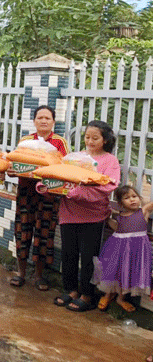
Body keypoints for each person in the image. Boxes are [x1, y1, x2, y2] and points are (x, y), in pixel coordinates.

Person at [41, 121, 120, 311]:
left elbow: (107, 187)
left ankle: (87, 295)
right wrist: (46, 187)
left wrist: (75, 193)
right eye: (87, 137)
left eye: (95, 137)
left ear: (106, 140)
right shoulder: (74, 157)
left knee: (88, 258)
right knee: (68, 254)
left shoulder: (110, 161)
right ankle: (70, 290)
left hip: (93, 217)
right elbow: (58, 175)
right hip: (68, 214)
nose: (90, 141)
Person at [8, 105, 69, 291]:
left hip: (49, 196)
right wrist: (11, 171)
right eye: (40, 117)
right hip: (26, 192)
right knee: (22, 229)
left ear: (53, 122)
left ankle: (39, 275)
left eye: (47, 118)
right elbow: (15, 164)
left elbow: (64, 167)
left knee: (44, 233)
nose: (43, 121)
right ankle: (21, 273)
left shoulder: (60, 143)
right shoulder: (25, 141)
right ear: (34, 121)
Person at [92, 185, 152, 313]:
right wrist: (107, 217)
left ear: (139, 198)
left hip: (136, 252)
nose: (132, 200)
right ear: (120, 203)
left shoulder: (144, 211)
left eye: (134, 196)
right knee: (114, 272)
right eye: (127, 198)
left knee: (128, 274)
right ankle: (107, 295)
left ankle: (120, 298)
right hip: (117, 250)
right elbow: (117, 228)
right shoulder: (119, 216)